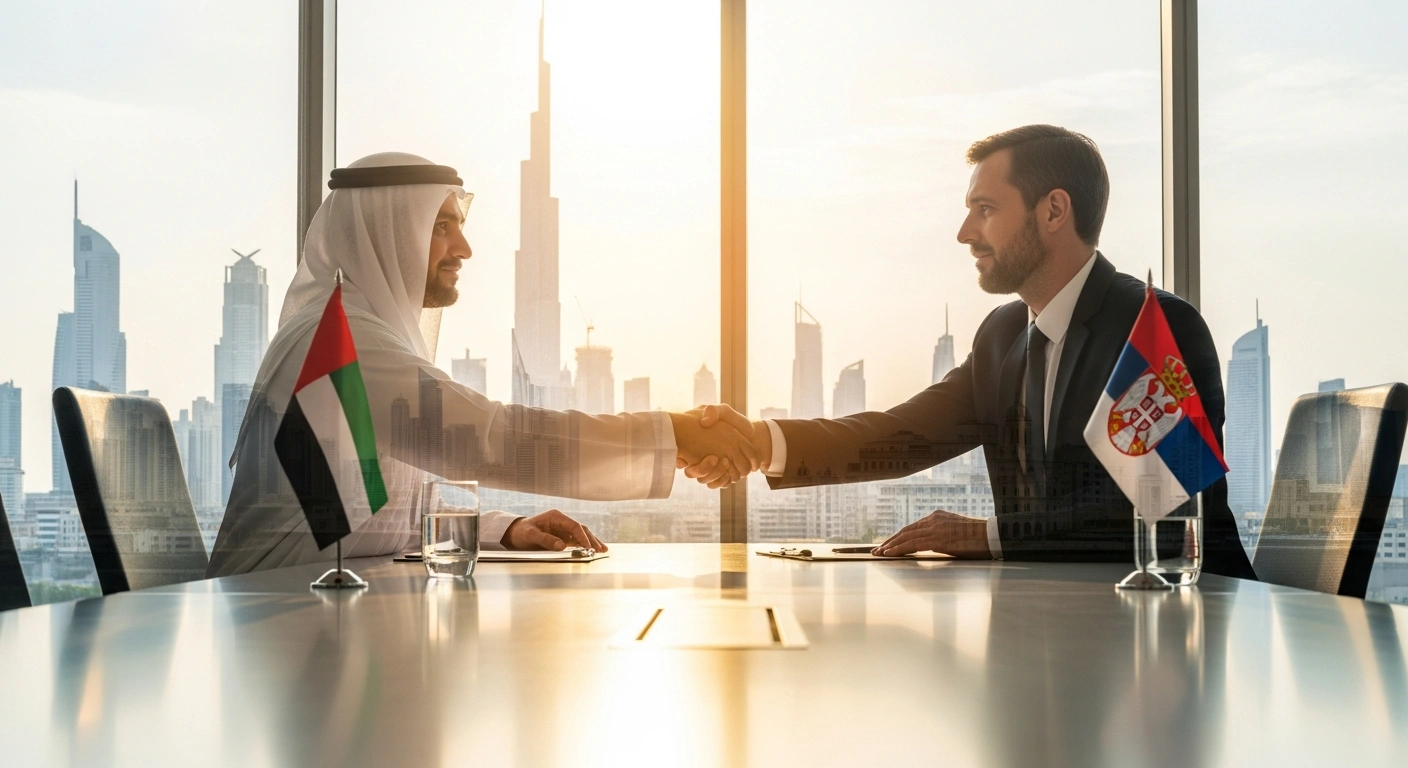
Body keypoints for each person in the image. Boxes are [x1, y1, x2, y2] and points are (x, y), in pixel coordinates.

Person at [686, 125, 1256, 579]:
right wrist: (760, 443)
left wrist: (984, 536)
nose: (964, 232)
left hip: (1196, 628)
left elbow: (1169, 517)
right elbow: (904, 435)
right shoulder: (1004, 336)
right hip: (1060, 630)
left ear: (1054, 211)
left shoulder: (1153, 328)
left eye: (985, 209)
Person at [207, 152, 757, 577]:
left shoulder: (361, 331)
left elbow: (386, 514)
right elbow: (491, 439)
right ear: (385, 234)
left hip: (313, 620)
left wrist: (508, 529)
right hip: (272, 619)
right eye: (441, 226)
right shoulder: (341, 342)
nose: (464, 248)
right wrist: (673, 432)